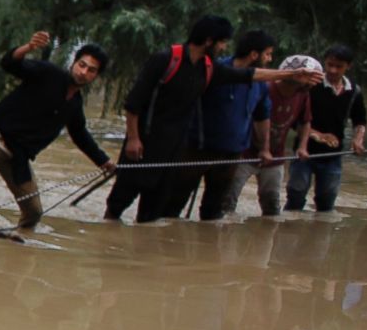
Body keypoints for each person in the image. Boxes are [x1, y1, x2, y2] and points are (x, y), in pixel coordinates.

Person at [103, 16, 320, 223]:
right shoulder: (165, 60)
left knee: (155, 210)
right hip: (147, 143)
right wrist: (133, 138)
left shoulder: (208, 68)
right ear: (209, 41)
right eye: (222, 42)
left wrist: (289, 75)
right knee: (122, 198)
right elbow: (133, 102)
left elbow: (248, 75)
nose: (224, 47)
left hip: (176, 148)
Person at [0, 32, 114, 228]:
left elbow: (80, 135)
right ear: (74, 63)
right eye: (82, 65)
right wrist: (28, 48)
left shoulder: (75, 105)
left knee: (33, 212)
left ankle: (19, 249)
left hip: (17, 155)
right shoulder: (48, 73)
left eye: (91, 70)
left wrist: (104, 161)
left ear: (96, 76)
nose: (84, 72)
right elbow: (10, 64)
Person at [163, 29, 275, 221]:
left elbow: (262, 117)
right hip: (196, 149)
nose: (270, 59)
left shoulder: (260, 84)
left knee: (214, 211)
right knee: (173, 203)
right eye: (268, 54)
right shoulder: (214, 70)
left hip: (231, 154)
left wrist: (265, 148)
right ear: (254, 55)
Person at [225, 54, 317, 216]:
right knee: (227, 202)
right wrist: (263, 148)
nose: (311, 83)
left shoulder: (303, 95)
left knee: (272, 207)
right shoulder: (265, 88)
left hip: (275, 157)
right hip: (244, 153)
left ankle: (267, 238)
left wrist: (302, 147)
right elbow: (255, 118)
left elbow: (305, 121)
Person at [288, 45, 366, 212]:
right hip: (304, 152)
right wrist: (318, 135)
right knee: (295, 197)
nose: (332, 70)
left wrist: (358, 140)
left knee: (327, 202)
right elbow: (293, 119)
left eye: (339, 66)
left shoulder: (354, 91)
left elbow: (360, 120)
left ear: (348, 66)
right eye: (329, 64)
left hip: (333, 156)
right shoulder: (311, 86)